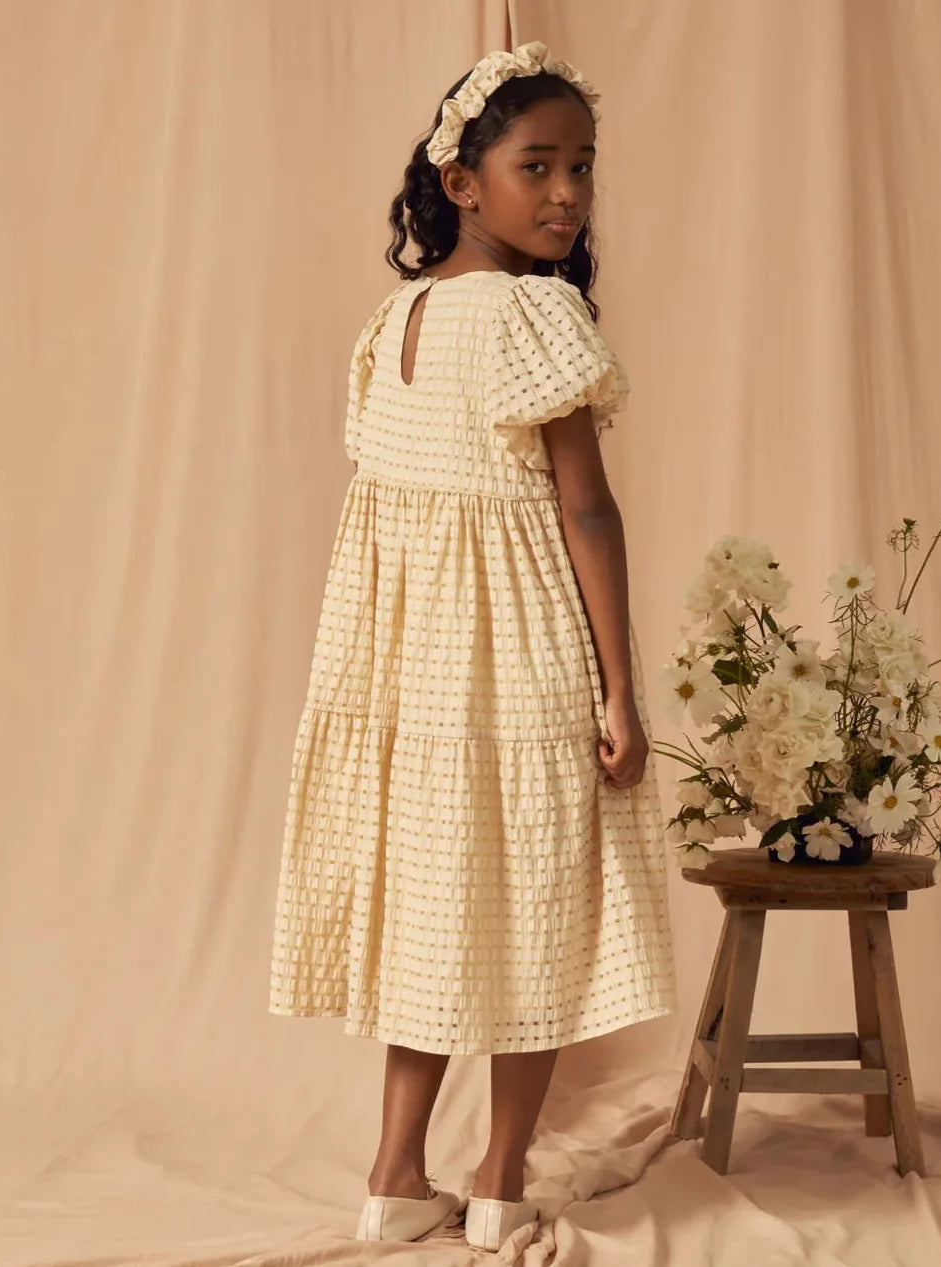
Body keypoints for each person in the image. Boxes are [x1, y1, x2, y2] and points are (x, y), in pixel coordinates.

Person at [267, 40, 678, 1252]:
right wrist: (619, 688)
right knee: (533, 906)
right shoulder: (535, 313)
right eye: (535, 166)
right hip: (520, 651)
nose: (567, 193)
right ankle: (498, 1181)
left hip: (413, 671)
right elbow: (585, 511)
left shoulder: (393, 319)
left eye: (582, 166)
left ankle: (395, 1176)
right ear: (462, 182)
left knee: (442, 911)